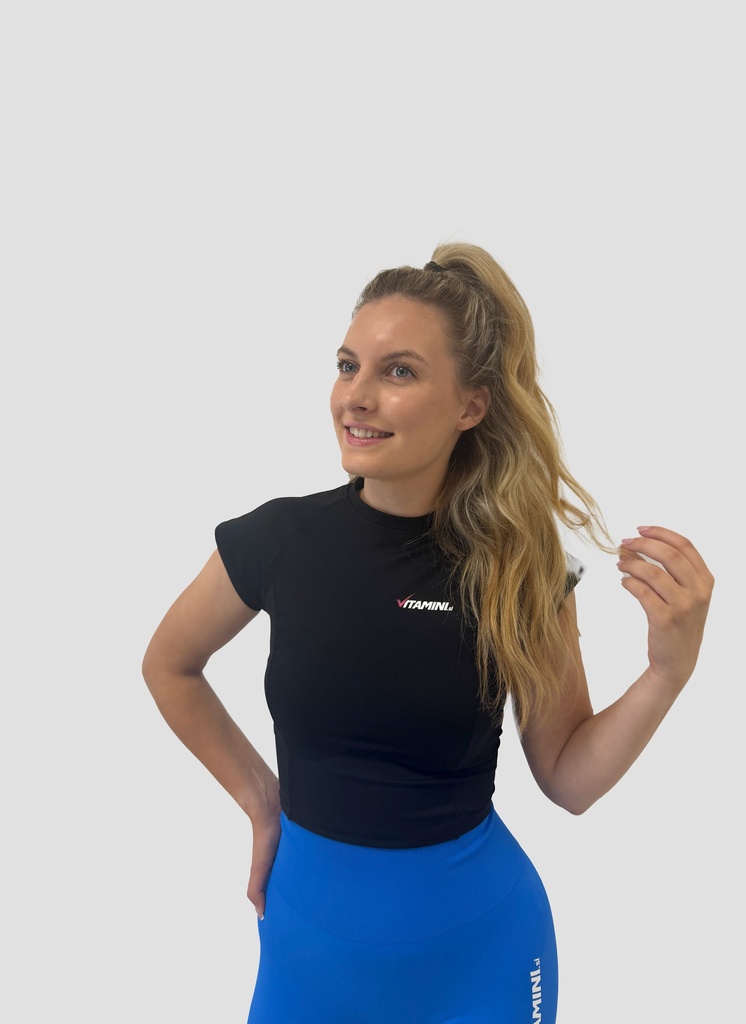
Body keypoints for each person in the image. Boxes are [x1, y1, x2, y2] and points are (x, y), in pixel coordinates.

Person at [142, 242, 713, 1023]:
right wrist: (259, 799)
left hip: (478, 956)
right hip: (309, 955)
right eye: (348, 366)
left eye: (399, 372)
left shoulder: (519, 568)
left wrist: (666, 673)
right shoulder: (276, 541)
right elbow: (169, 664)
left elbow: (569, 778)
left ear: (471, 406)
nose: (357, 397)